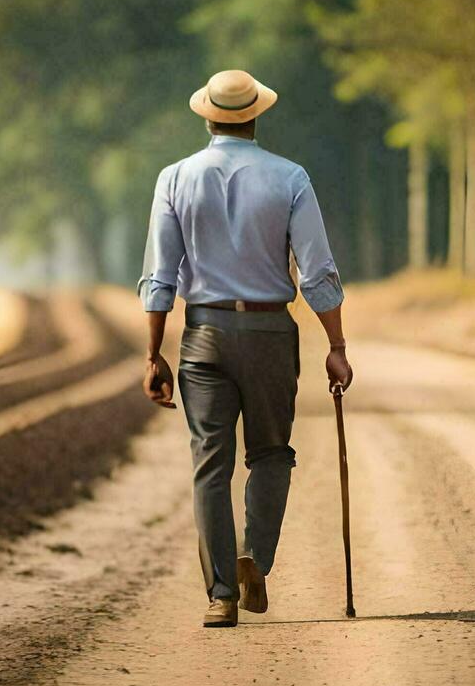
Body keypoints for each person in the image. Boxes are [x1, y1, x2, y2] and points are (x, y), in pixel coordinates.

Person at [137, 69, 354, 628]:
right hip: (270, 334)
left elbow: (160, 275)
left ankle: (220, 596)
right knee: (272, 454)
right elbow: (318, 272)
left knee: (210, 464)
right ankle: (255, 558)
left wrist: (153, 353)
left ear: (206, 116)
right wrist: (336, 344)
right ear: (257, 114)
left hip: (202, 336)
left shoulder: (174, 178)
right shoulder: (291, 177)